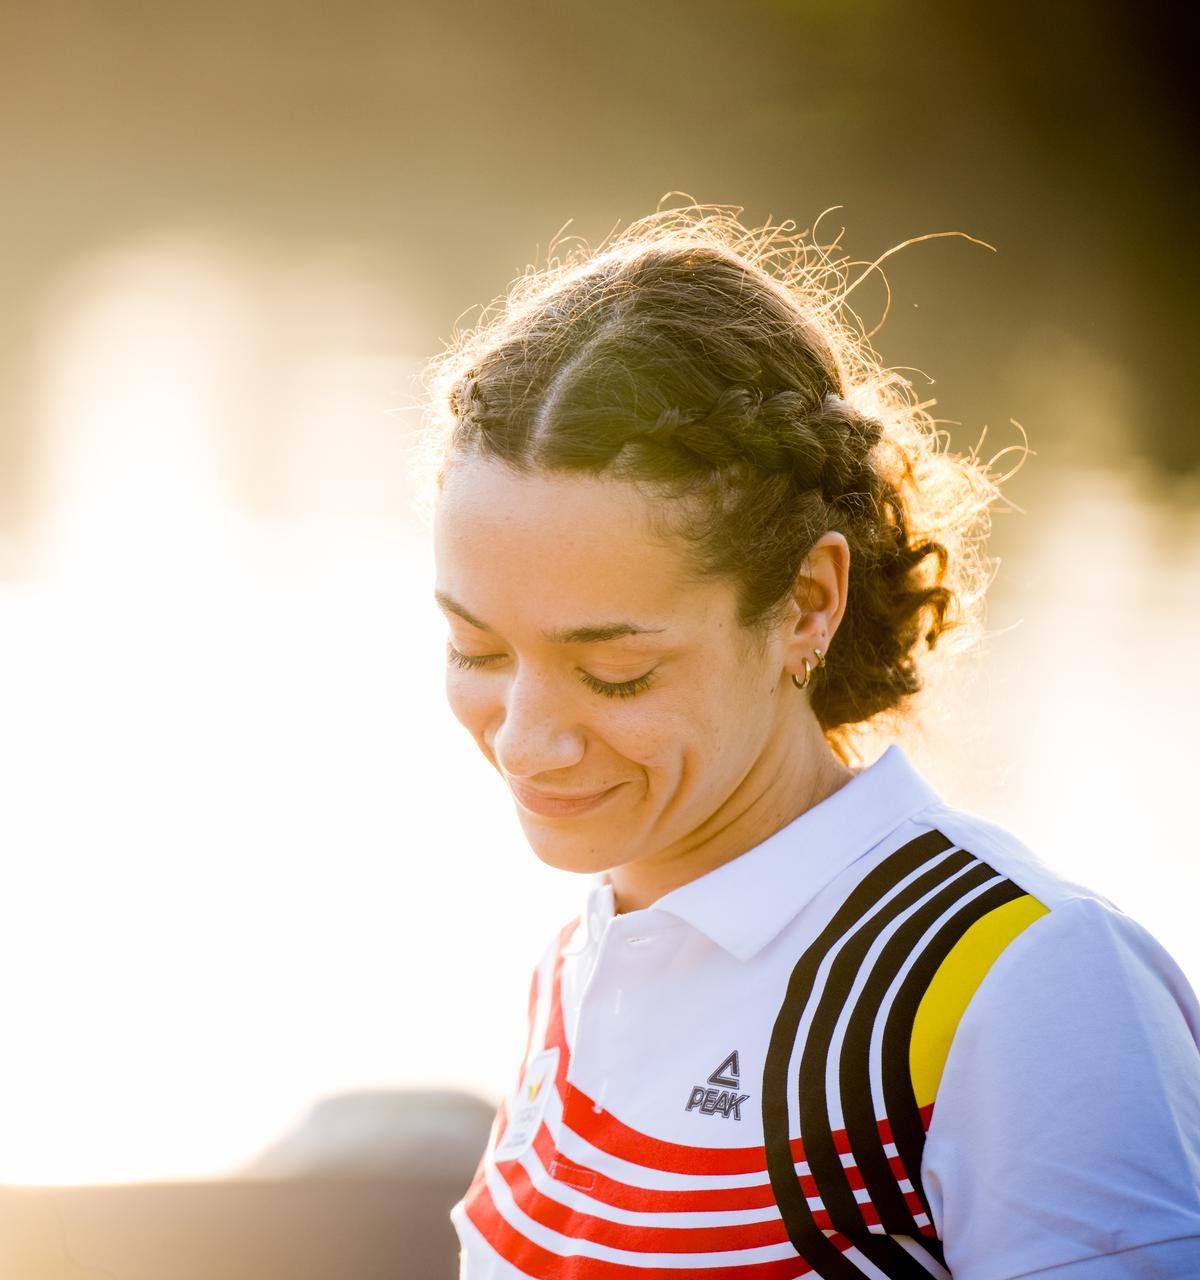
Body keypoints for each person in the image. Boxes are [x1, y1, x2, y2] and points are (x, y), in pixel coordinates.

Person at [417, 206, 1200, 1279]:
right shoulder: (584, 954)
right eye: (480, 649)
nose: (527, 740)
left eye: (615, 671)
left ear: (806, 604)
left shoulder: (1018, 980)